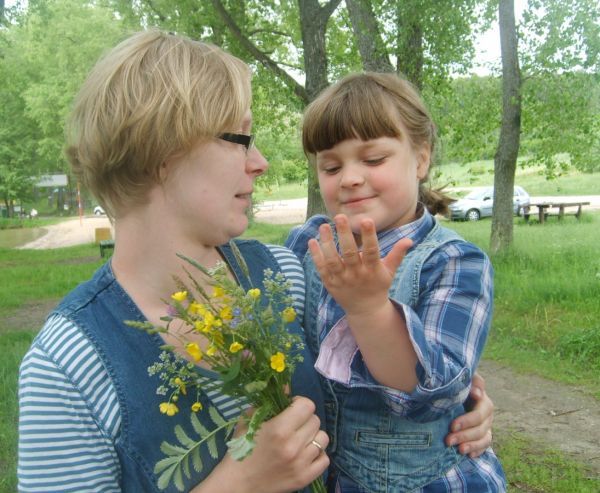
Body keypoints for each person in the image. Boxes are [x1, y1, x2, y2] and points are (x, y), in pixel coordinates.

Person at [17, 31, 493, 493]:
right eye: (240, 138)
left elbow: (375, 374)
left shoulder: (285, 272)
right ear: (162, 152)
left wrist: (458, 408)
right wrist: (239, 483)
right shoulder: (67, 366)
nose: (260, 162)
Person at [285, 72, 506, 492]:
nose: (349, 177)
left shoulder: (454, 262)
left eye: (372, 160)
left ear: (420, 160)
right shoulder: (307, 243)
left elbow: (434, 393)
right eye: (331, 165)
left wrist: (368, 308)